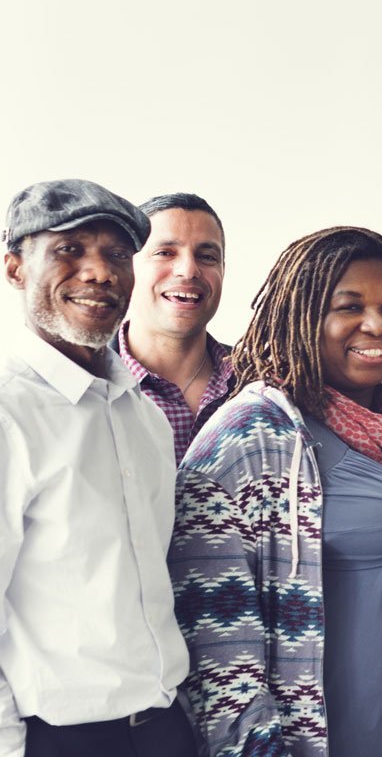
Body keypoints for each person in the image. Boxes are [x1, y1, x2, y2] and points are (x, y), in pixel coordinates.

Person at [169, 226, 382, 757]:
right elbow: (215, 639)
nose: (377, 325)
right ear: (302, 314)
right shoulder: (252, 435)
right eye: (349, 306)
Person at [0, 179, 196, 757]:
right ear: (14, 268)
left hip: (163, 727)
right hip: (57, 739)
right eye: (70, 250)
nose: (100, 272)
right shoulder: (9, 413)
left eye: (116, 254)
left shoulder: (144, 417)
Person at [117, 192, 232, 464]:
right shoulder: (84, 385)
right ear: (126, 266)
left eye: (206, 256)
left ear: (223, 270)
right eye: (165, 253)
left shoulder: (264, 382)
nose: (188, 270)